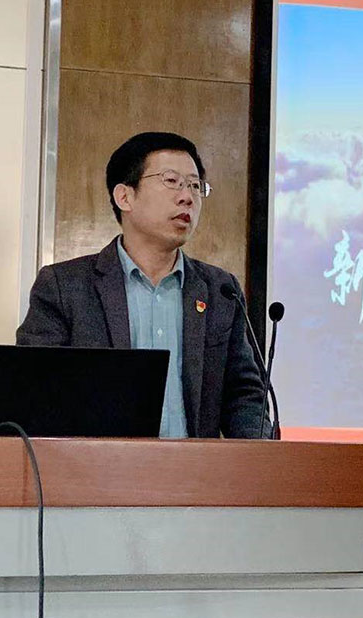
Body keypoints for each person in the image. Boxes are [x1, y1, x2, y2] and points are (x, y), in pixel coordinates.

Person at [16, 131, 268, 438]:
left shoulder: (220, 290)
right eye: (172, 181)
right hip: (97, 466)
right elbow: (35, 391)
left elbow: (244, 395)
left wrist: (260, 455)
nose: (187, 197)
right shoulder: (64, 287)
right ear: (125, 197)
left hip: (194, 467)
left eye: (195, 185)